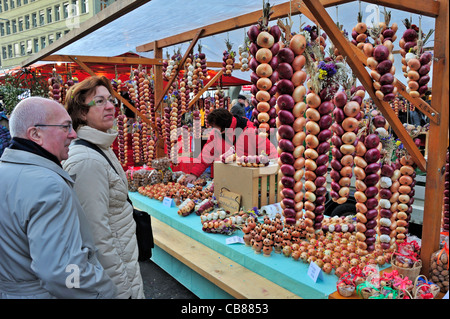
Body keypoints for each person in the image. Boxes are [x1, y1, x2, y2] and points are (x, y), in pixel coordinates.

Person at [0, 97, 116, 299]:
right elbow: (62, 271)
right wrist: (105, 291)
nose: (73, 134)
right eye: (65, 127)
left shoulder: (6, 171)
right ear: (35, 134)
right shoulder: (49, 186)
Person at [63, 76, 145, 299]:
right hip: (117, 277)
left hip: (125, 259)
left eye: (110, 100)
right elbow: (95, 236)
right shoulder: (87, 160)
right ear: (81, 112)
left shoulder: (101, 147)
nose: (111, 106)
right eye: (99, 102)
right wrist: (121, 289)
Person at [182, 108, 277, 184]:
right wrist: (194, 174)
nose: (214, 130)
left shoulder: (252, 131)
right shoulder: (216, 133)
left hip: (247, 182)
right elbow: (206, 155)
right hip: (221, 180)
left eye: (215, 127)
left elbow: (272, 154)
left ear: (225, 127)